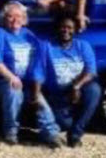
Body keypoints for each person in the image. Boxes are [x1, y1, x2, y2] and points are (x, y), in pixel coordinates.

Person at [0, 1, 61, 147]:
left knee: (39, 100)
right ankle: (11, 131)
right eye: (10, 16)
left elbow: (39, 61)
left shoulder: (29, 35)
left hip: (28, 82)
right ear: (4, 18)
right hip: (5, 80)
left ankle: (50, 134)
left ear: (24, 19)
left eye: (19, 16)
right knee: (15, 92)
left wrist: (35, 84)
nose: (15, 20)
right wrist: (11, 77)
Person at [32, 13, 101, 148]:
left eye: (70, 27)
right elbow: (38, 72)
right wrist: (35, 95)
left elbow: (91, 71)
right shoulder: (46, 46)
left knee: (94, 90)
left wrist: (76, 86)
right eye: (62, 27)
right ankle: (67, 127)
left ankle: (75, 135)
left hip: (78, 89)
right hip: (57, 94)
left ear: (75, 30)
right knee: (64, 124)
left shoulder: (83, 46)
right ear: (57, 28)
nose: (66, 31)